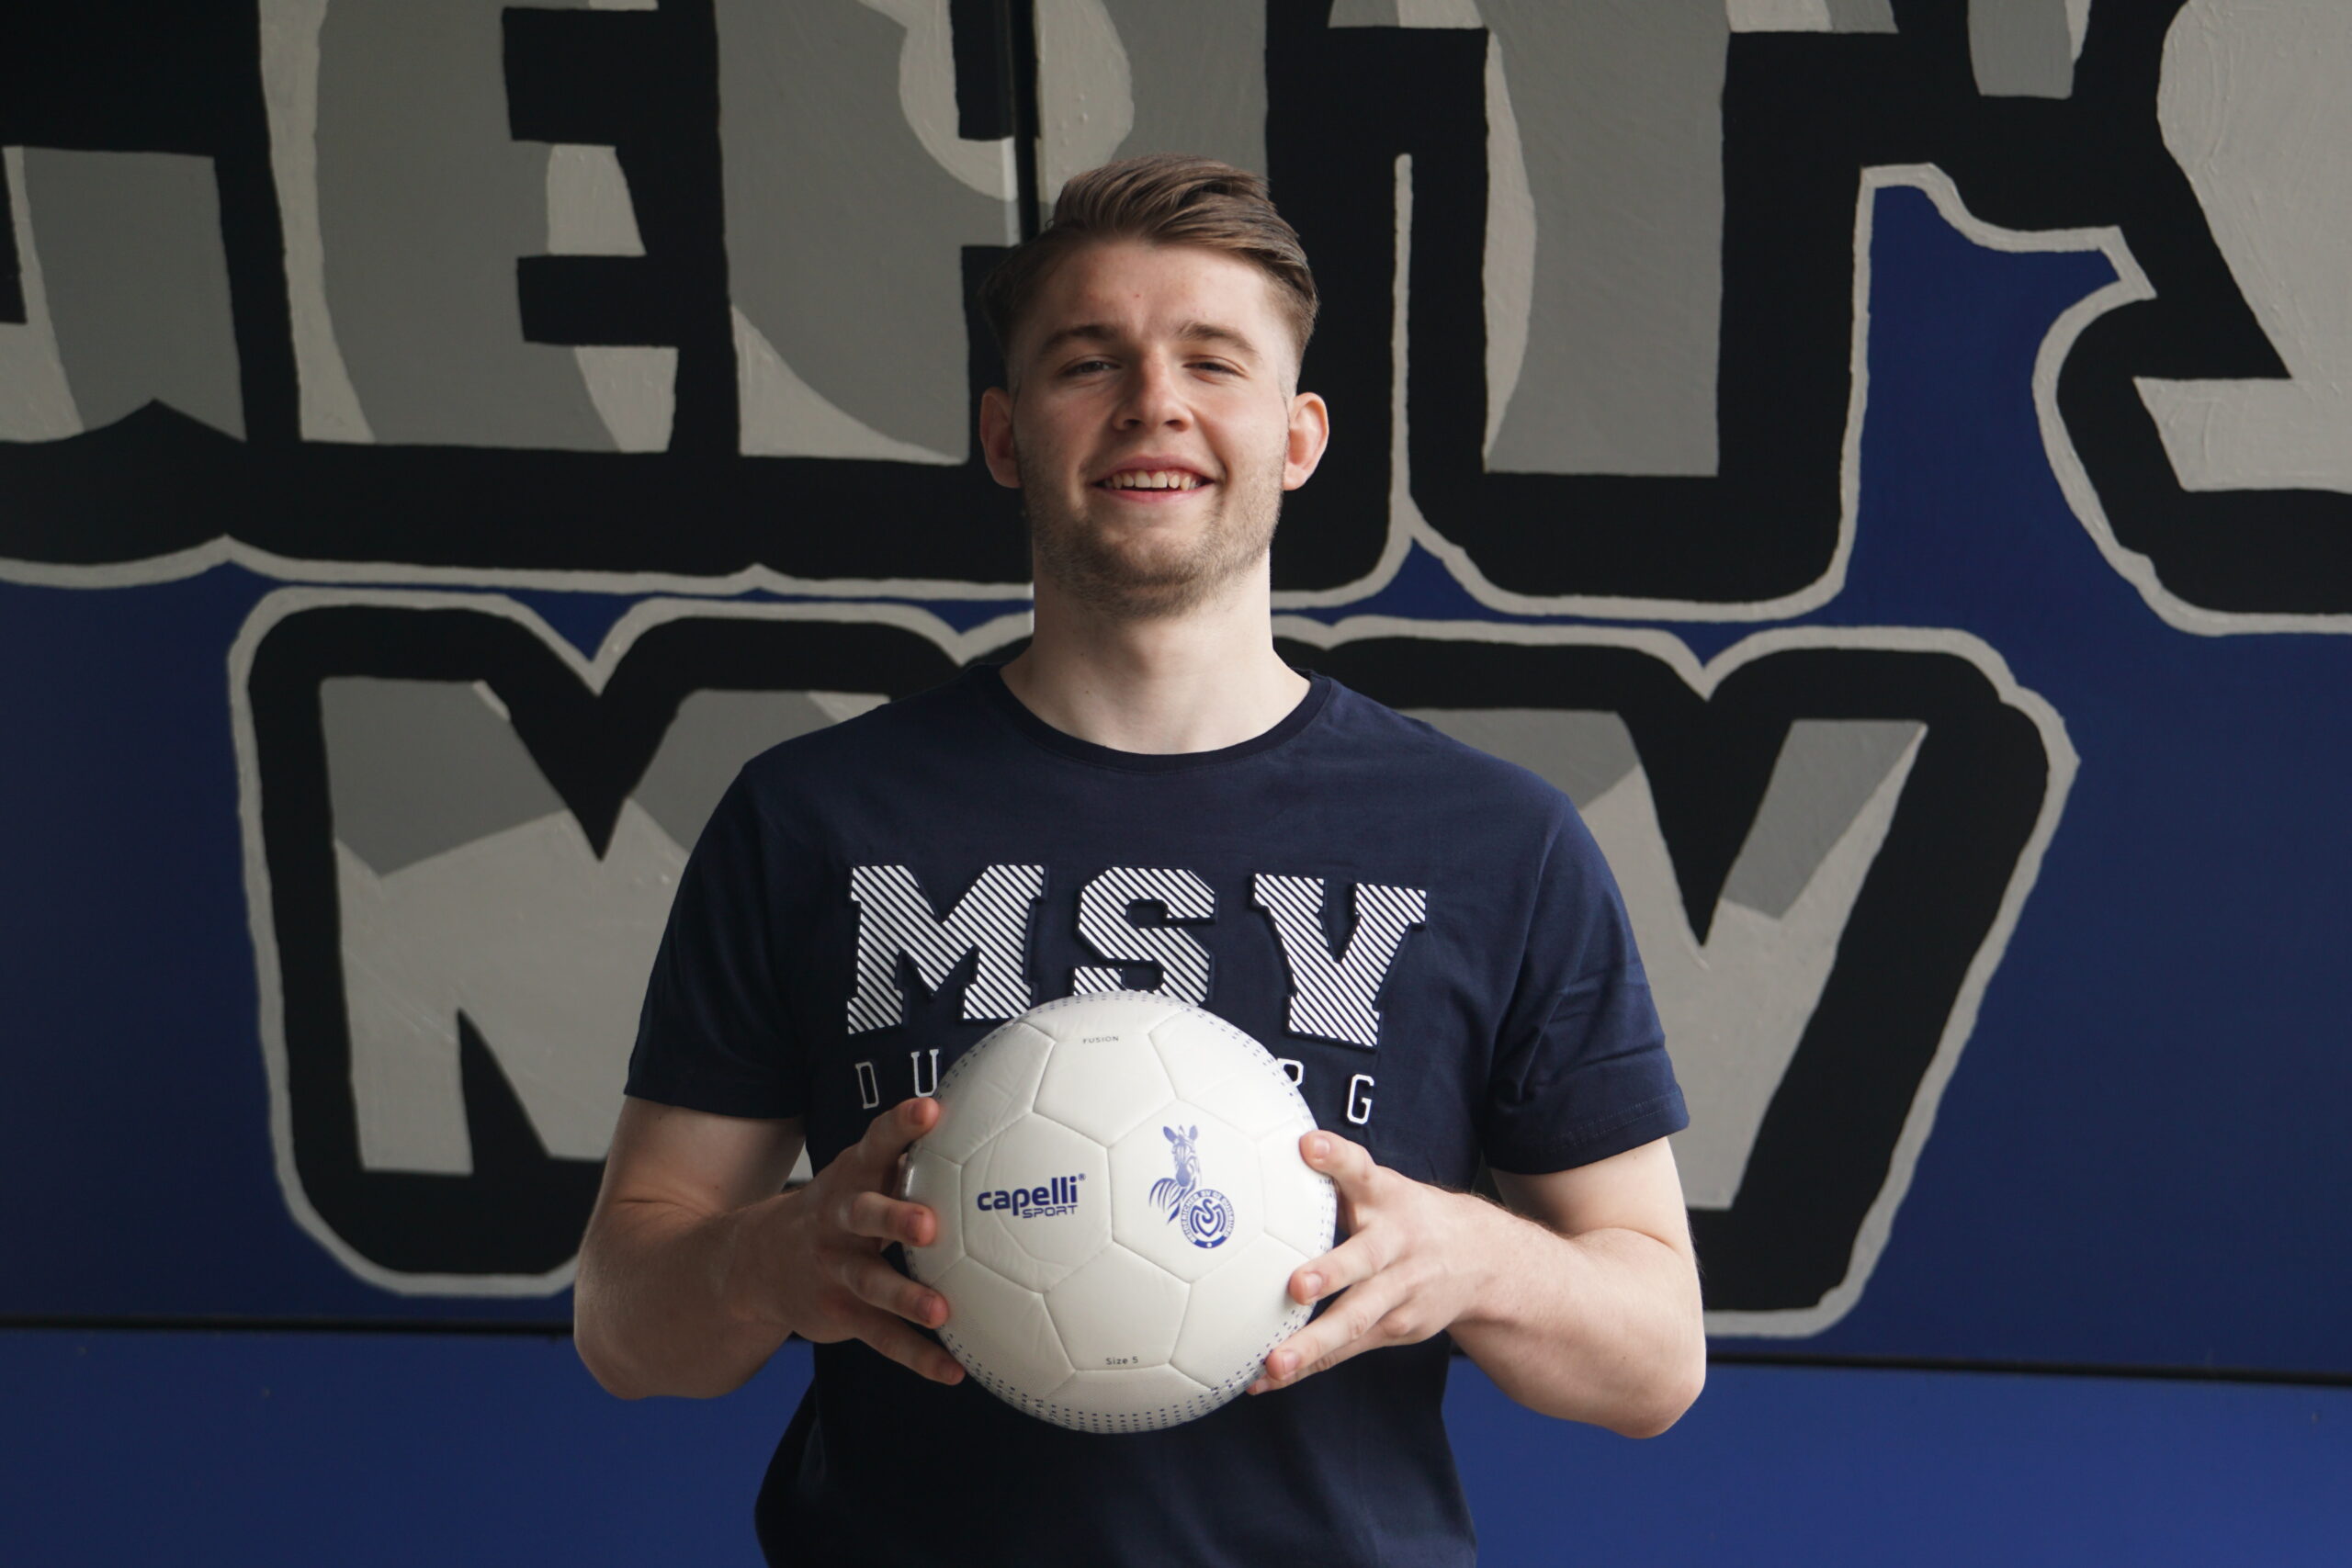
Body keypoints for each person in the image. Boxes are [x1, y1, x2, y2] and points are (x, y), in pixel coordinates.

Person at [575, 153, 1704, 1566]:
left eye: (1212, 361)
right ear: (1005, 435)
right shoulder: (813, 820)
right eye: (1088, 361)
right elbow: (624, 1327)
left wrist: (1479, 1257)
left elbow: (1654, 1360)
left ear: (1299, 435)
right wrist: (762, 1258)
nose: (1152, 401)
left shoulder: (1495, 843)